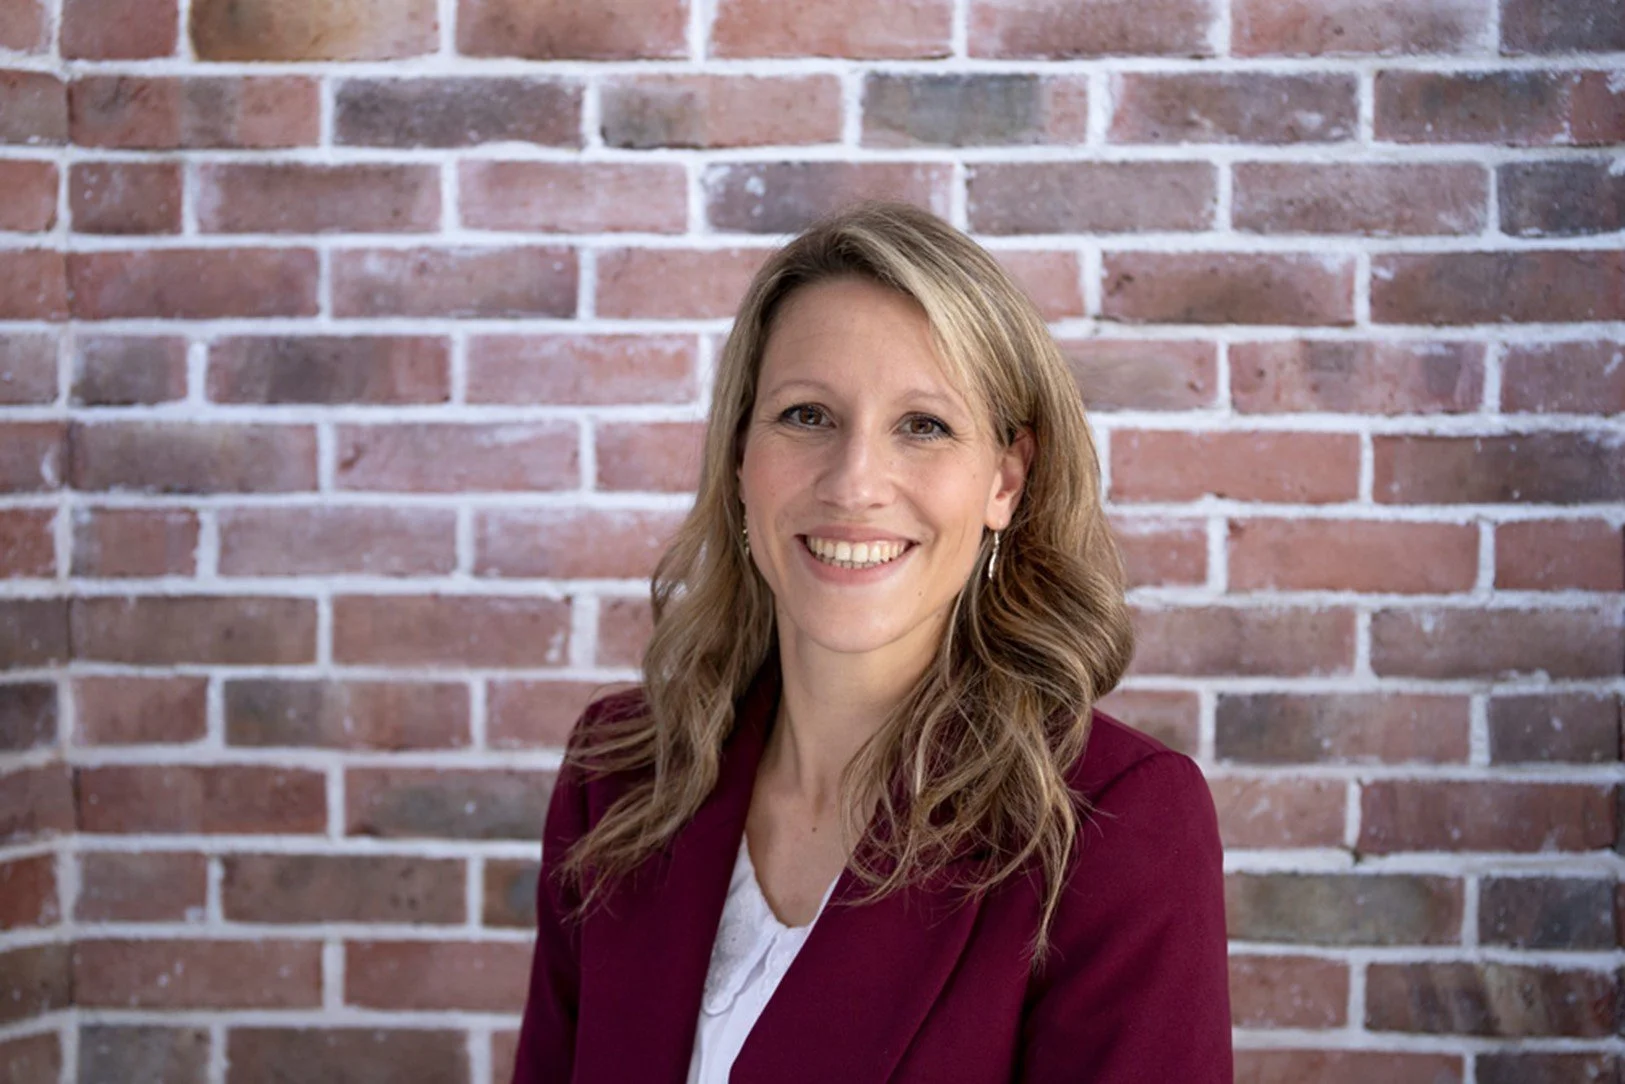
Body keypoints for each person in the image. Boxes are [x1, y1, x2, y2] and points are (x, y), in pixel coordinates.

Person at [511, 202, 1232, 1083]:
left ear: (1004, 480)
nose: (854, 483)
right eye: (806, 415)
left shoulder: (1112, 825)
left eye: (922, 425)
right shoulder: (619, 776)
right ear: (740, 456)